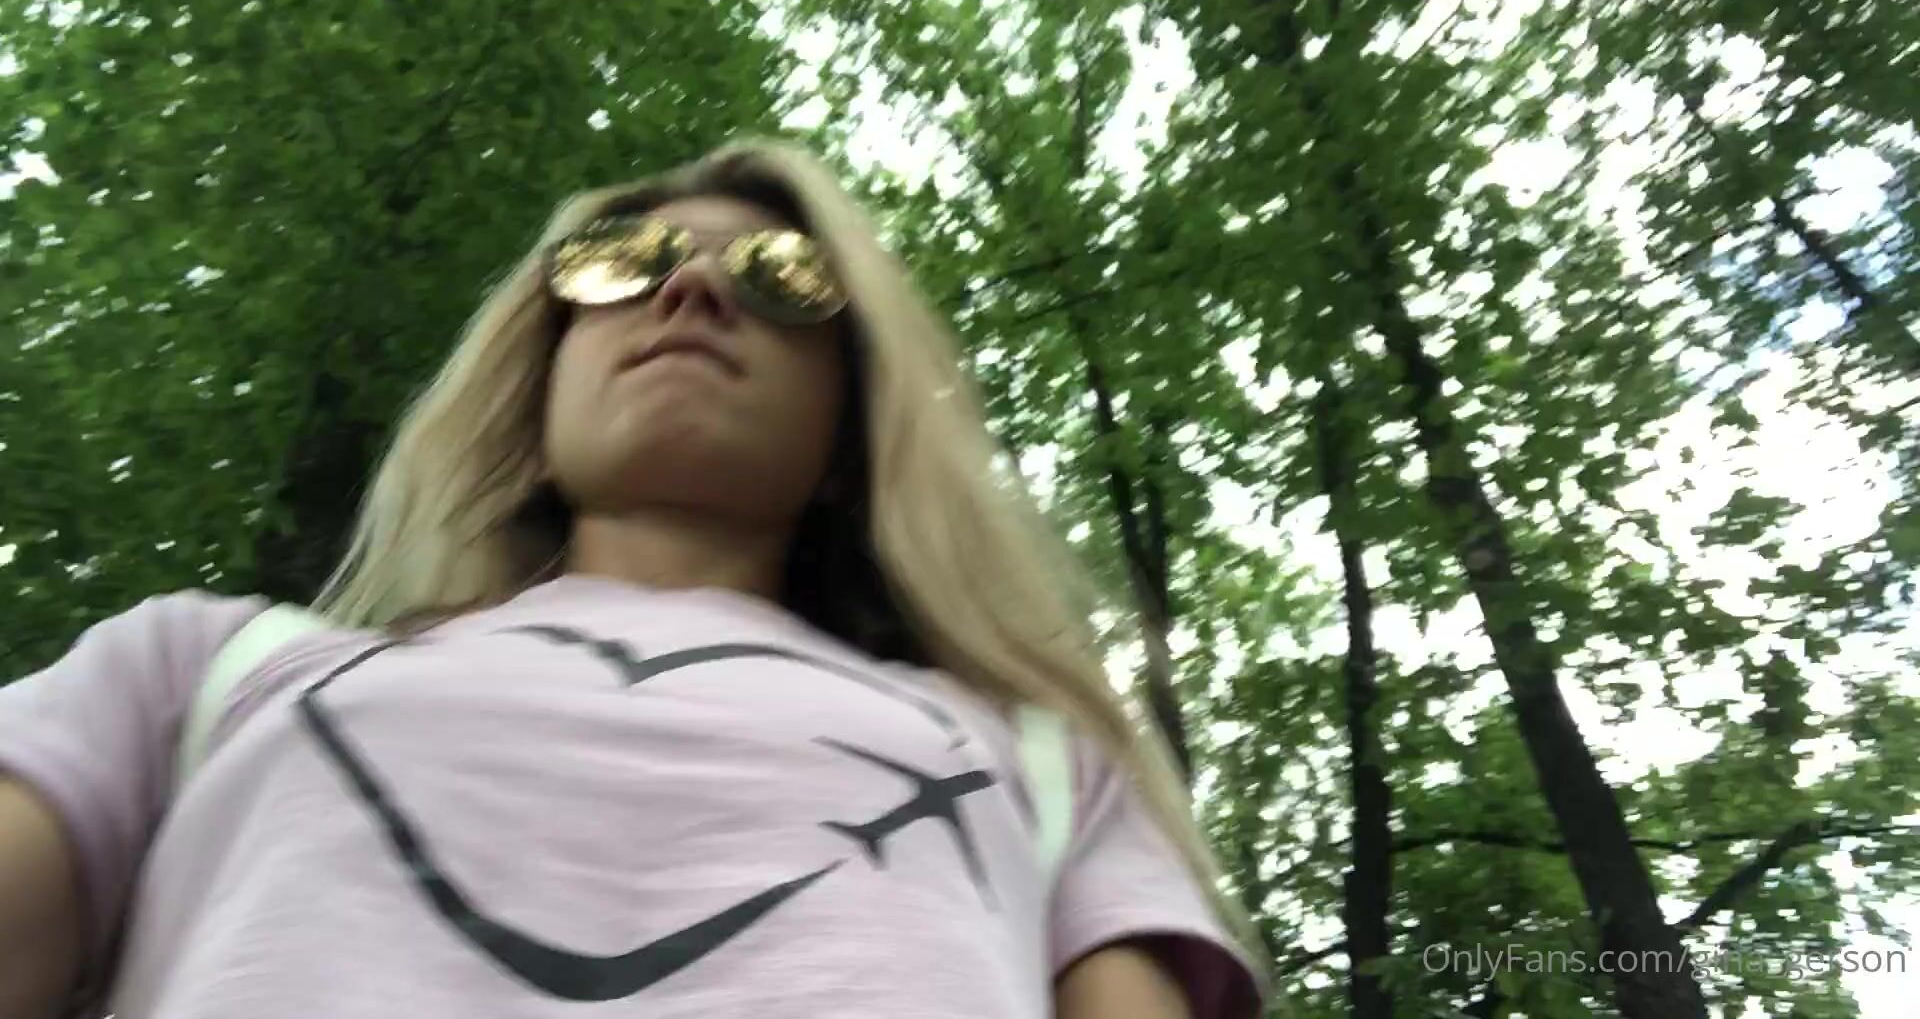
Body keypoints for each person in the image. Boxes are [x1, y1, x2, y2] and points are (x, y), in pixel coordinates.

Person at [0, 138, 1269, 1018]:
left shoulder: (1042, 769)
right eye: (620, 262)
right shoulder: (204, 677)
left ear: (851, 433)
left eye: (785, 281)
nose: (695, 287)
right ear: (537, 381)